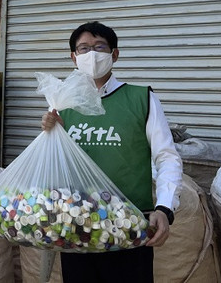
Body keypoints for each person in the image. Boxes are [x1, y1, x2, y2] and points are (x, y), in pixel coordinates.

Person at [41, 21, 183, 283]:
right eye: (83, 49)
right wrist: (51, 133)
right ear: (74, 57)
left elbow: (167, 157)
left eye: (99, 47)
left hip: (129, 225)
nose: (91, 55)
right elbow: (53, 163)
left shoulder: (141, 98)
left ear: (114, 54)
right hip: (75, 225)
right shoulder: (62, 104)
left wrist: (164, 208)